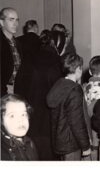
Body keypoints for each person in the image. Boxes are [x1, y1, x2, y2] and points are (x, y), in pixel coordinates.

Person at [15, 29, 63, 160]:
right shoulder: (57, 62)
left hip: (30, 116)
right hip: (49, 119)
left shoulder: (28, 59)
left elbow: (18, 87)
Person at [46, 53, 91, 161]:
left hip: (59, 141)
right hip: (72, 143)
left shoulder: (58, 84)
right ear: (78, 69)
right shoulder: (74, 89)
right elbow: (77, 121)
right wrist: (85, 145)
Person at [1, 94, 38, 160]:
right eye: (12, 116)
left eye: (23, 114)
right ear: (1, 121)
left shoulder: (29, 143)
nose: (21, 120)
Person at [0, 7, 22, 97]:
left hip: (17, 88)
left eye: (17, 20)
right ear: (1, 22)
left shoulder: (18, 43)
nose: (15, 23)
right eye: (11, 19)